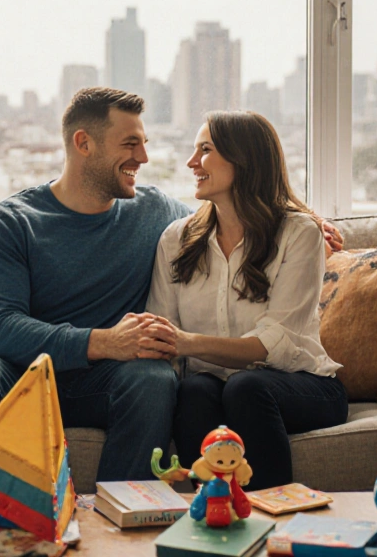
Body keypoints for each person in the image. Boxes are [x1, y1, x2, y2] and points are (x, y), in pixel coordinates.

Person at [0, 87, 192, 488]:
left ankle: (119, 528)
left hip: (105, 386)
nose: (143, 158)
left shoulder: (154, 210)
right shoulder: (11, 221)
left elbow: (226, 219)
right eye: (130, 144)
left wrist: (300, 219)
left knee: (153, 378)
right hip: (22, 376)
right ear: (83, 143)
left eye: (143, 144)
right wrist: (104, 342)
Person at [146, 111, 349, 492]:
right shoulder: (177, 239)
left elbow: (271, 346)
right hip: (216, 389)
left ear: (243, 159)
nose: (192, 163)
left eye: (204, 150)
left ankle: (275, 522)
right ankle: (209, 516)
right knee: (193, 391)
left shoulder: (298, 233)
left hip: (301, 386)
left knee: (246, 387)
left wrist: (187, 342)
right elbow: (163, 336)